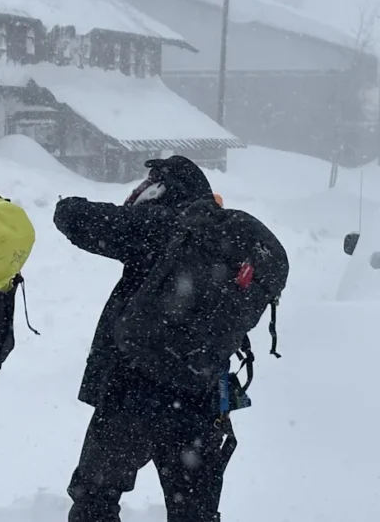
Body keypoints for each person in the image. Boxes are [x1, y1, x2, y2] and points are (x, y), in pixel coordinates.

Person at [54, 155, 289, 522]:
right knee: (194, 512)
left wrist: (66, 204)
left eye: (148, 183)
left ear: (163, 188)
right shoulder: (225, 239)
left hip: (134, 390)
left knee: (96, 500)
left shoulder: (162, 224)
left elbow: (77, 219)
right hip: (202, 393)